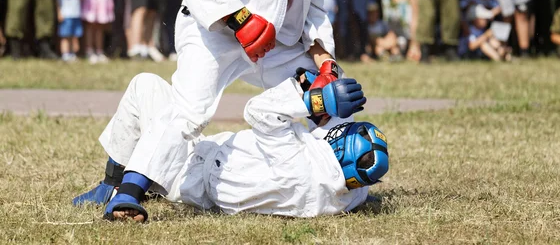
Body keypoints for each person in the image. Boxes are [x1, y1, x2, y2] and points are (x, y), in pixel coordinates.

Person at [73, 0, 351, 221]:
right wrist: (240, 19)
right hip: (215, 29)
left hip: (274, 41)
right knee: (190, 111)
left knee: (328, 95)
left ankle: (346, 184)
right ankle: (126, 192)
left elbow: (313, 10)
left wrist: (325, 61)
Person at [73, 69, 384, 222]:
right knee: (156, 97)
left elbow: (258, 112)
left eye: (342, 134)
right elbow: (345, 155)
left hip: (189, 174)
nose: (334, 129)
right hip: (203, 163)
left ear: (338, 150)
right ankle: (127, 181)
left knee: (163, 101)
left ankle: (121, 190)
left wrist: (314, 99)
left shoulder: (298, 163)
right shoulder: (351, 190)